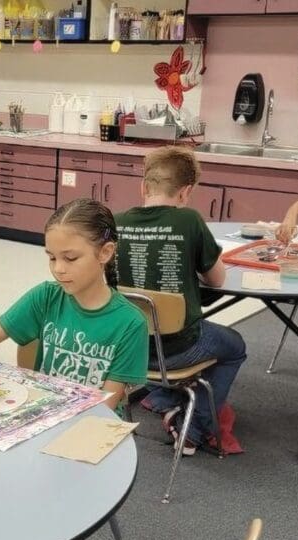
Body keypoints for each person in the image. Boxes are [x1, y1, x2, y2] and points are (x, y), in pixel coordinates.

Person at [0, 198, 148, 540]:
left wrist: (45, 425)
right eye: (50, 258)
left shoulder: (130, 323)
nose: (58, 269)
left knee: (46, 488)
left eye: (70, 257)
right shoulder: (47, 298)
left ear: (105, 253)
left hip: (94, 431)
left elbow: (107, 401)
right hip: (43, 421)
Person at [114, 146, 246, 455]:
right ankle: (194, 429)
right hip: (177, 349)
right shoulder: (189, 220)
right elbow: (217, 280)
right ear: (186, 192)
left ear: (143, 187)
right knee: (235, 346)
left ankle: (164, 397)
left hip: (126, 349)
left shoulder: (114, 223)